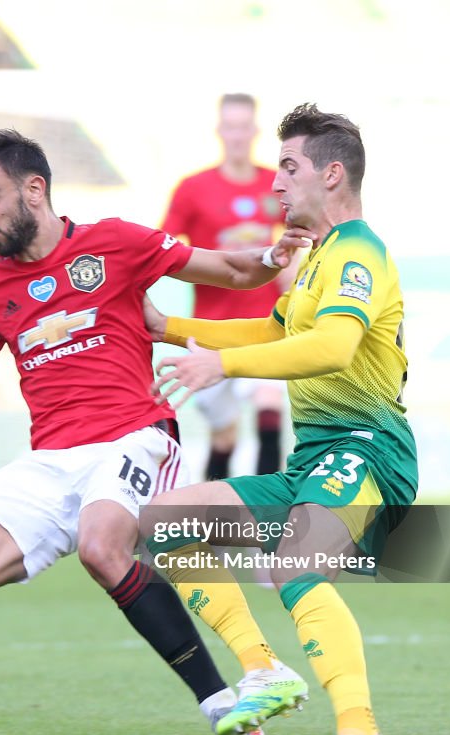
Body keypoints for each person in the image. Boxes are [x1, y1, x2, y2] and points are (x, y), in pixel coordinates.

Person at [0, 129, 311, 735]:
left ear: (33, 189)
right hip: (49, 461)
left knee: (102, 546)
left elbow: (230, 269)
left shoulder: (115, 242)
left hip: (134, 435)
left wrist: (275, 255)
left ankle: (224, 708)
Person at [145, 103, 416, 735]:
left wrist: (221, 364)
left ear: (330, 175)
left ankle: (359, 732)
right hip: (315, 458)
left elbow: (331, 346)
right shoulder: (319, 258)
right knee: (166, 521)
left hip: (367, 449)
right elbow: (274, 333)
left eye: (288, 168)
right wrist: (171, 329)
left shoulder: (360, 255)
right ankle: (263, 668)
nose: (275, 183)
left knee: (296, 560)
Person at [161, 93, 295, 482]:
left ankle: (269, 510)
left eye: (244, 126)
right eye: (230, 126)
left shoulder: (277, 184)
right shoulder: (193, 188)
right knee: (224, 435)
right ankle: (215, 519)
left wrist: (293, 268)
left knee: (270, 404)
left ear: (255, 131)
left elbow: (303, 234)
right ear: (220, 131)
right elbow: (163, 248)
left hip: (265, 325)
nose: (237, 135)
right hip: (212, 327)